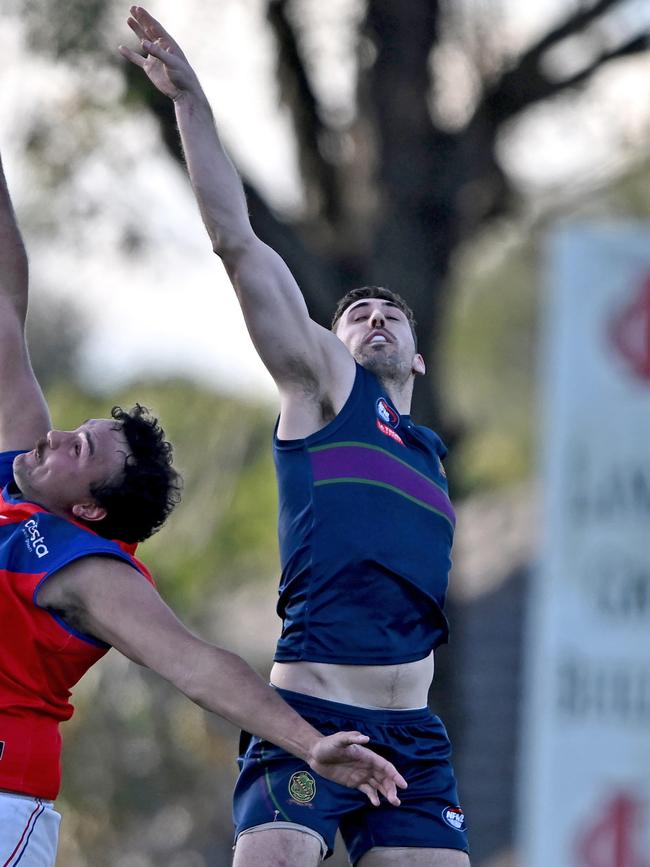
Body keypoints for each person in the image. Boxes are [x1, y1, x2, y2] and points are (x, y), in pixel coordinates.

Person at [0, 120, 408, 867]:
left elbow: (196, 664)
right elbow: (4, 295)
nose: (56, 437)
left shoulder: (87, 569)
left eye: (78, 449)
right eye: (77, 430)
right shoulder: (19, 465)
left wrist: (310, 742)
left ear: (88, 510)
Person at [122, 6, 470, 866]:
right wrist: (192, 103)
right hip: (308, 716)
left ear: (419, 359)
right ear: (329, 341)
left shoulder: (429, 457)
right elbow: (236, 243)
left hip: (415, 738)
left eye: (391, 314)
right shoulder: (322, 388)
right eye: (357, 313)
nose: (374, 317)